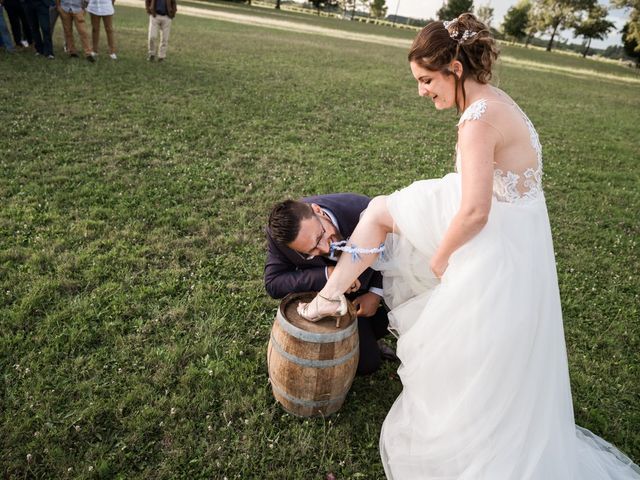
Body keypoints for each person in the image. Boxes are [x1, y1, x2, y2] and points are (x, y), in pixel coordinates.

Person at [297, 13, 640, 480]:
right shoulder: (497, 101)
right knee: (385, 216)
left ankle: (329, 295)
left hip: (490, 227)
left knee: (381, 217)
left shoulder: (477, 120)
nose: (422, 91)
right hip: (517, 229)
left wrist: (442, 256)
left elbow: (475, 211)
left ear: (455, 69)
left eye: (426, 79)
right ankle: (336, 291)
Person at [265, 194, 397, 375]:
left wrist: (376, 292)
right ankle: (366, 341)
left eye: (321, 236)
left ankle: (372, 333)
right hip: (335, 301)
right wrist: (327, 274)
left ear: (317, 211)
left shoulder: (362, 210)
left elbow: (391, 250)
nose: (326, 249)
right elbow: (273, 283)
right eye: (312, 250)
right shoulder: (280, 237)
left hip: (376, 281)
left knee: (404, 311)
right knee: (368, 365)